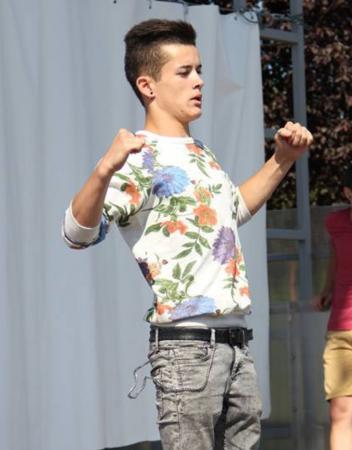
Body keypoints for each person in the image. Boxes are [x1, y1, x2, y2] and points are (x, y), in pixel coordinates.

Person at [61, 19, 312, 449]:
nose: (199, 81)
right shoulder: (137, 157)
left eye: (199, 70)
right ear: (147, 86)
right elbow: (76, 234)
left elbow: (233, 210)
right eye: (184, 72)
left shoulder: (200, 152)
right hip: (188, 349)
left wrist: (283, 159)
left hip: (236, 344)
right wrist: (104, 169)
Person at [313, 167, 352, 450]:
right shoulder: (336, 223)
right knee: (340, 413)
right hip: (341, 330)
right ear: (348, 193)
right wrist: (326, 290)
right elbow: (336, 256)